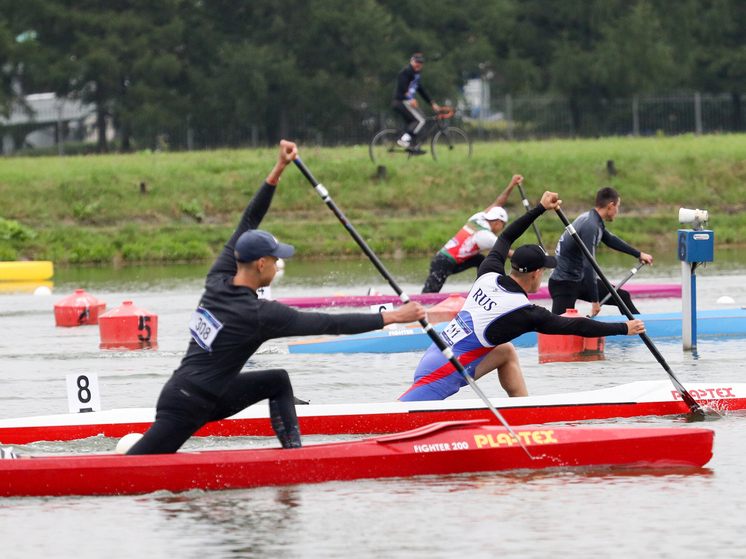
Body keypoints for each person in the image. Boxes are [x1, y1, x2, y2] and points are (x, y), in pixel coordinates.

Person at [127, 141, 425, 455]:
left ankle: (293, 456)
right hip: (188, 404)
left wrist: (279, 168)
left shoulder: (218, 277)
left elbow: (248, 221)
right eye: (276, 258)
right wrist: (393, 317)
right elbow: (329, 323)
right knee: (132, 469)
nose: (279, 263)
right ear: (261, 264)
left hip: (204, 393)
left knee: (277, 380)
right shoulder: (259, 315)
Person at [400, 190, 645, 402]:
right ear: (537, 274)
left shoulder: (488, 272)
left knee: (506, 351)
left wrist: (540, 208)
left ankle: (523, 410)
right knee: (392, 418)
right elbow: (576, 325)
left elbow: (506, 237)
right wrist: (624, 327)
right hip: (442, 373)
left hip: (435, 354)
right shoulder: (523, 312)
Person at [548, 186, 653, 316]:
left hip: (579, 279)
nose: (617, 211)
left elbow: (610, 240)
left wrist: (639, 254)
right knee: (558, 328)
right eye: (617, 207)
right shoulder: (590, 226)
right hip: (563, 284)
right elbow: (589, 264)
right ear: (611, 205)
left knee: (622, 297)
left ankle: (641, 327)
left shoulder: (594, 219)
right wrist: (595, 301)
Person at [422, 174, 521, 293]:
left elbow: (498, 203)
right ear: (499, 222)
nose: (501, 229)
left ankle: (483, 288)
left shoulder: (478, 218)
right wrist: (538, 261)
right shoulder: (486, 236)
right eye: (503, 226)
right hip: (444, 263)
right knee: (428, 296)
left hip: (445, 261)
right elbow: (510, 254)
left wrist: (511, 185)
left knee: (480, 259)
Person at [392, 53, 441, 151]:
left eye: (420, 62)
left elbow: (421, 91)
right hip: (402, 101)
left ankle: (413, 147)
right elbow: (402, 85)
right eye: (416, 62)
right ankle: (404, 140)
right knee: (420, 120)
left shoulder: (416, 75)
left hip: (406, 102)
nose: (418, 64)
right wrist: (410, 98)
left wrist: (432, 103)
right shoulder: (406, 71)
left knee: (416, 122)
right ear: (411, 62)